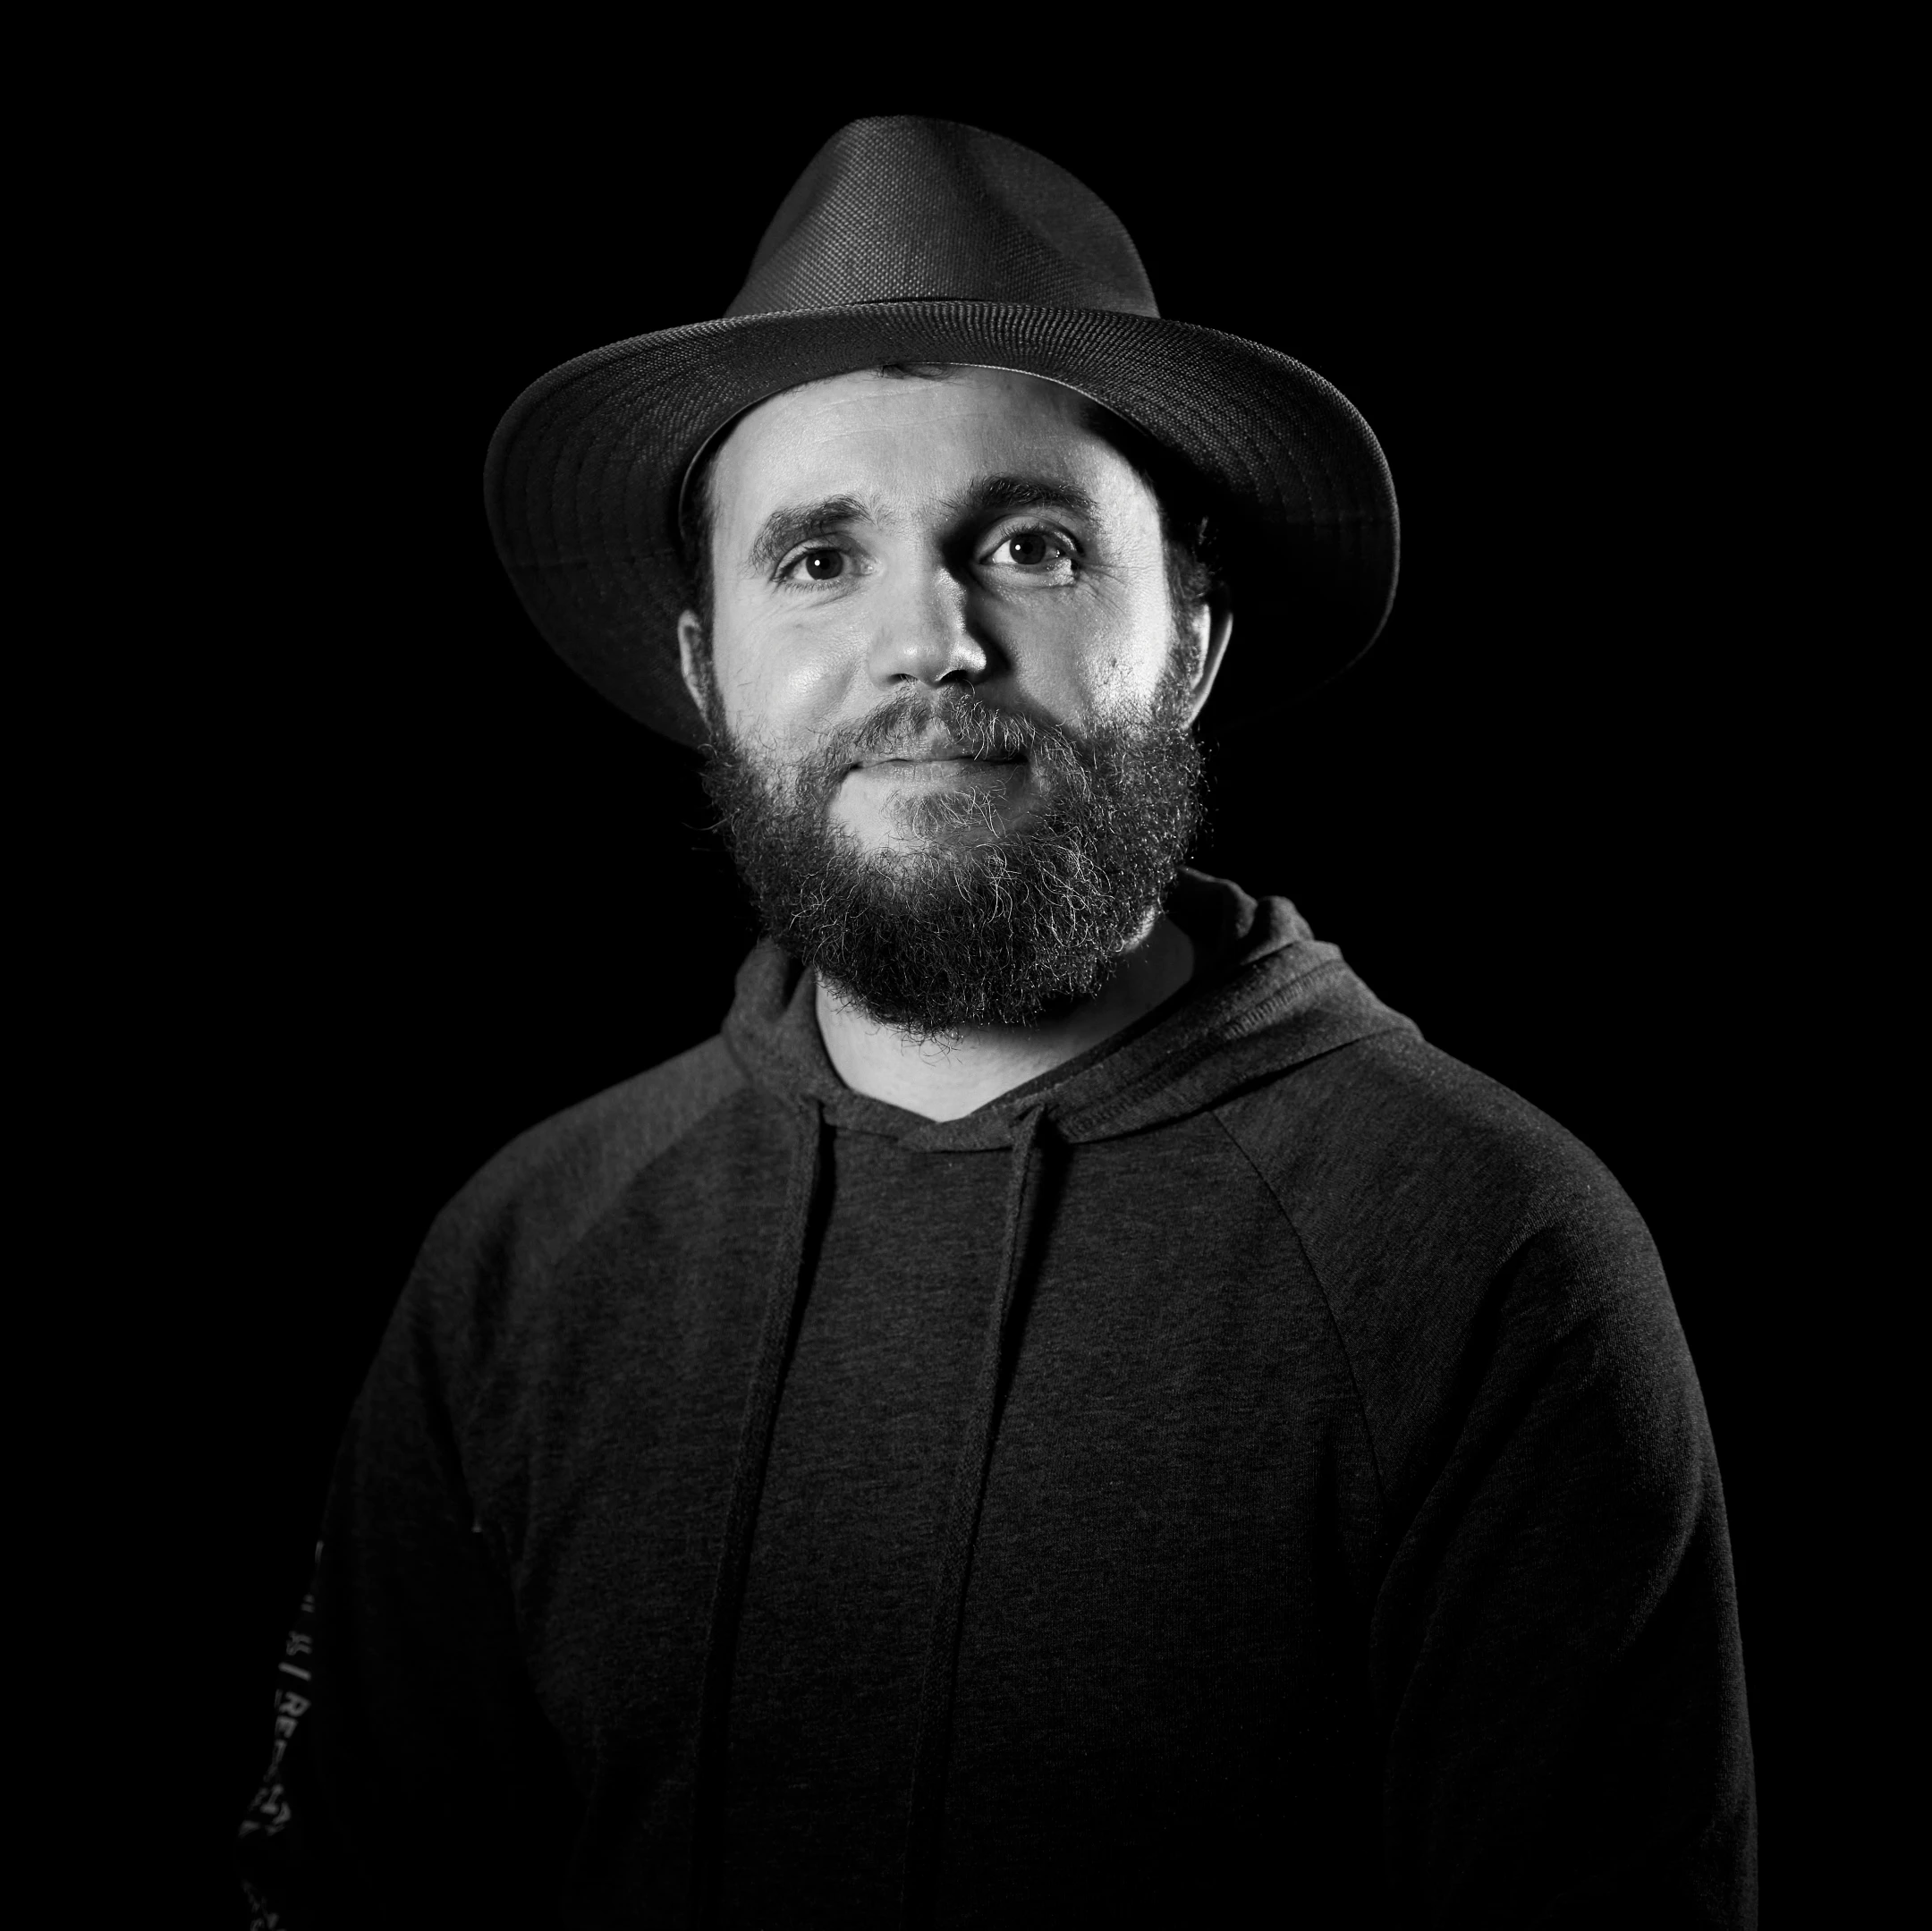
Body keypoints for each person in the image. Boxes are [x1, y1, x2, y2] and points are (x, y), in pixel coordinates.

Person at [238, 116, 1756, 1928]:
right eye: (819, 560)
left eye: (1029, 543)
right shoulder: (521, 1260)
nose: (930, 643)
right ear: (708, 669)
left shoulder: (1484, 1254)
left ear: (1192, 637)